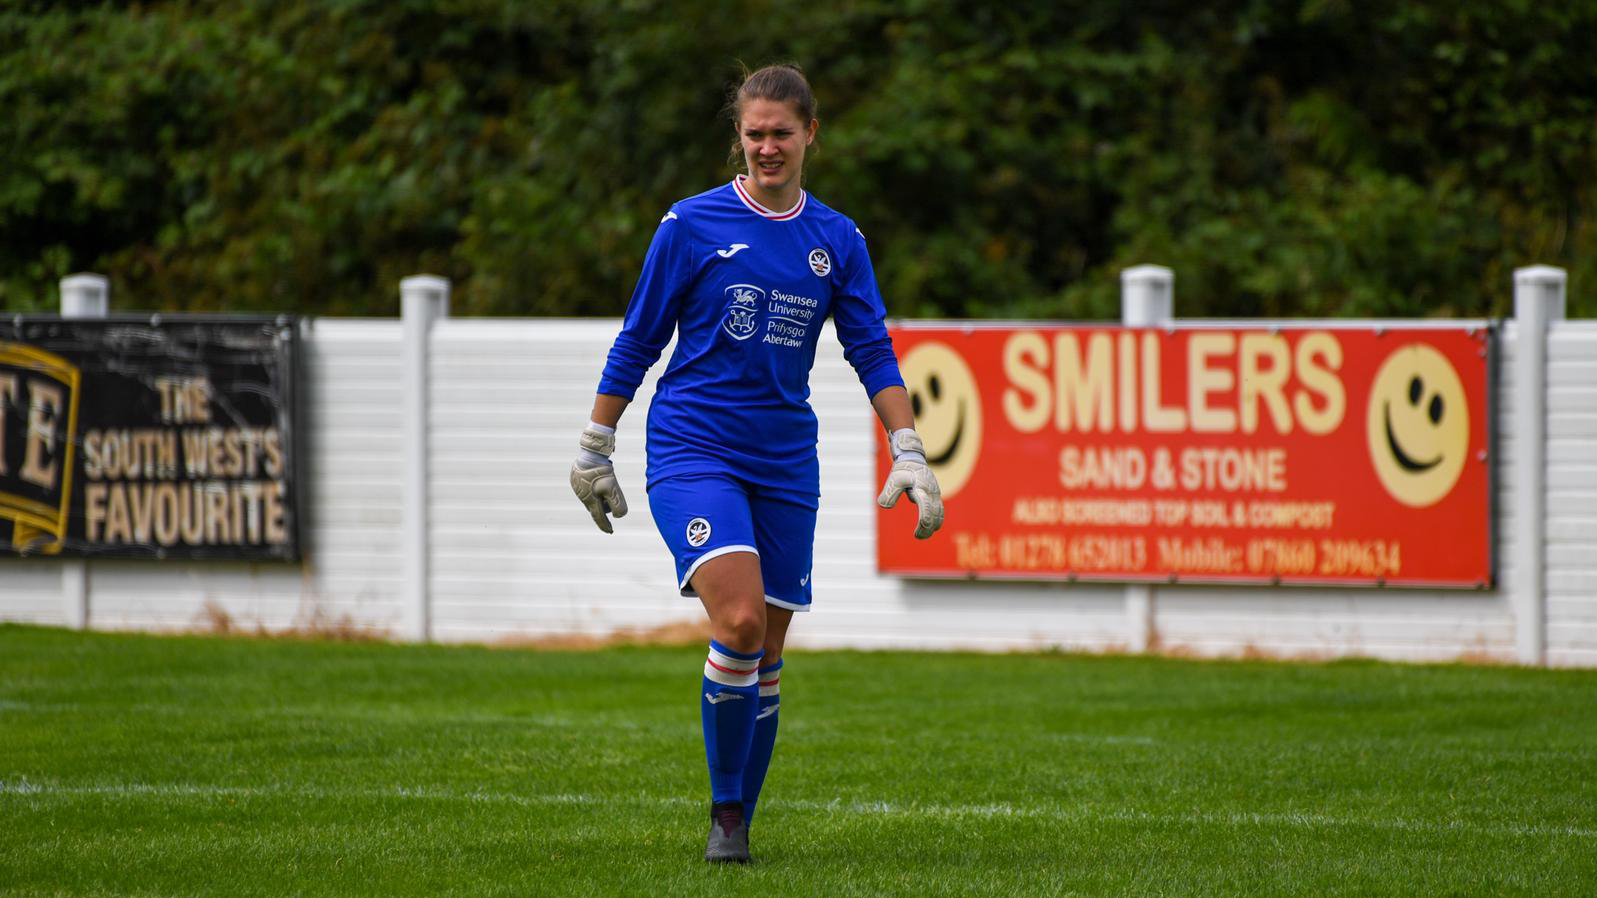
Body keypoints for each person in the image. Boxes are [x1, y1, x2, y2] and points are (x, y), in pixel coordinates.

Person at [570, 63, 943, 864]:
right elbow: (639, 337)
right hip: (692, 445)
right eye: (752, 135)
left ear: (811, 133)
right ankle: (725, 816)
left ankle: (736, 820)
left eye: (780, 133)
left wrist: (907, 448)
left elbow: (870, 347)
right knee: (736, 620)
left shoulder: (837, 240)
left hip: (783, 460)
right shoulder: (690, 224)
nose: (765, 147)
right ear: (736, 139)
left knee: (766, 653)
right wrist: (594, 446)